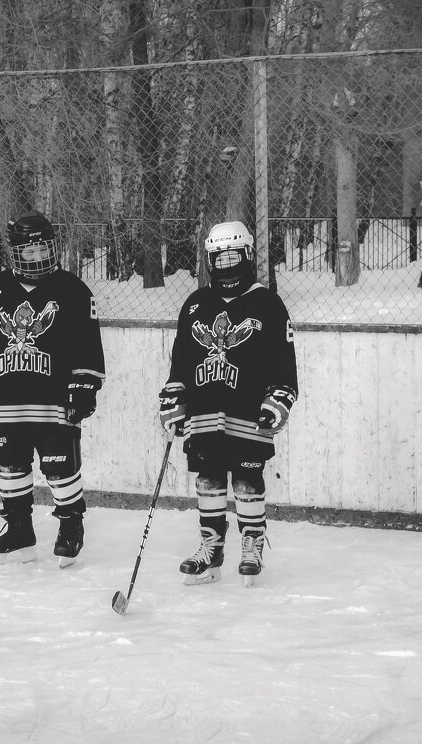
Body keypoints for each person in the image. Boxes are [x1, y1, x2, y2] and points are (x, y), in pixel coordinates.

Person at [159, 220, 298, 586]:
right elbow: (182, 362)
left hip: (248, 413)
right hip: (205, 412)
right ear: (209, 261)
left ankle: (252, 545)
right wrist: (174, 396)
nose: (226, 265)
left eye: (233, 256)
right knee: (208, 479)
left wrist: (279, 398)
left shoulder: (267, 303)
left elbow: (284, 362)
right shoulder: (195, 304)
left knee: (248, 479)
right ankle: (211, 548)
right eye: (219, 259)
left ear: (247, 255)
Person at [0, 212, 105, 567]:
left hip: (55, 401)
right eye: (27, 251)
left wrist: (85, 383)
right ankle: (19, 531)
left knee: (59, 468)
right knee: (10, 466)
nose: (36, 257)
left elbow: (88, 344)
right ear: (14, 252)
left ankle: (70, 526)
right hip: (9, 400)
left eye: (42, 248)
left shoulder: (73, 290)